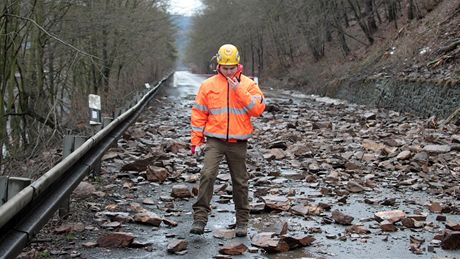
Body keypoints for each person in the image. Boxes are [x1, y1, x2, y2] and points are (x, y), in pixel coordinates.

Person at [190, 44, 265, 236]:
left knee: (240, 181)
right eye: (225, 68)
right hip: (215, 140)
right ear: (218, 65)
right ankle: (200, 218)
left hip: (238, 142)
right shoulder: (208, 85)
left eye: (232, 68)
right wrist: (196, 141)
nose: (229, 71)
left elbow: (257, 110)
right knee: (207, 175)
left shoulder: (248, 85)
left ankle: (242, 222)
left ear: (238, 65)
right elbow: (199, 114)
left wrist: (238, 89)